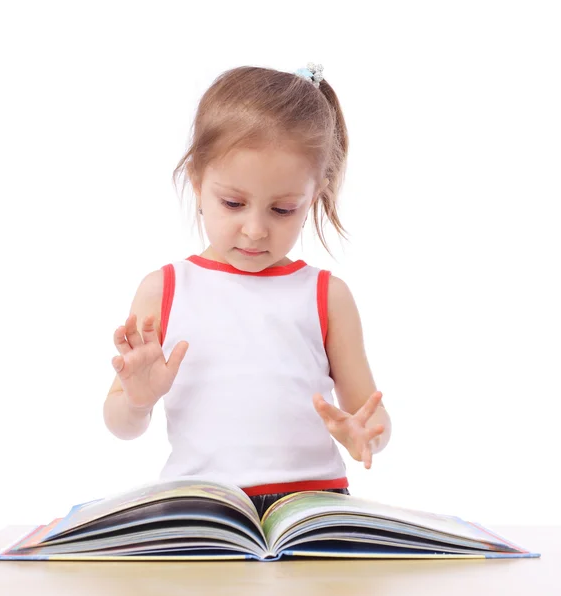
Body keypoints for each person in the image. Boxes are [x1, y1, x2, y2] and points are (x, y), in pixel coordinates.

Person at [103, 63, 392, 518]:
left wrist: (368, 434)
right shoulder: (164, 288)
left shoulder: (326, 294)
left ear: (313, 197)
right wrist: (138, 399)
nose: (255, 230)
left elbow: (368, 410)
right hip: (202, 506)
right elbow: (120, 424)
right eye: (233, 203)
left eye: (282, 209)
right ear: (197, 181)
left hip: (311, 506)